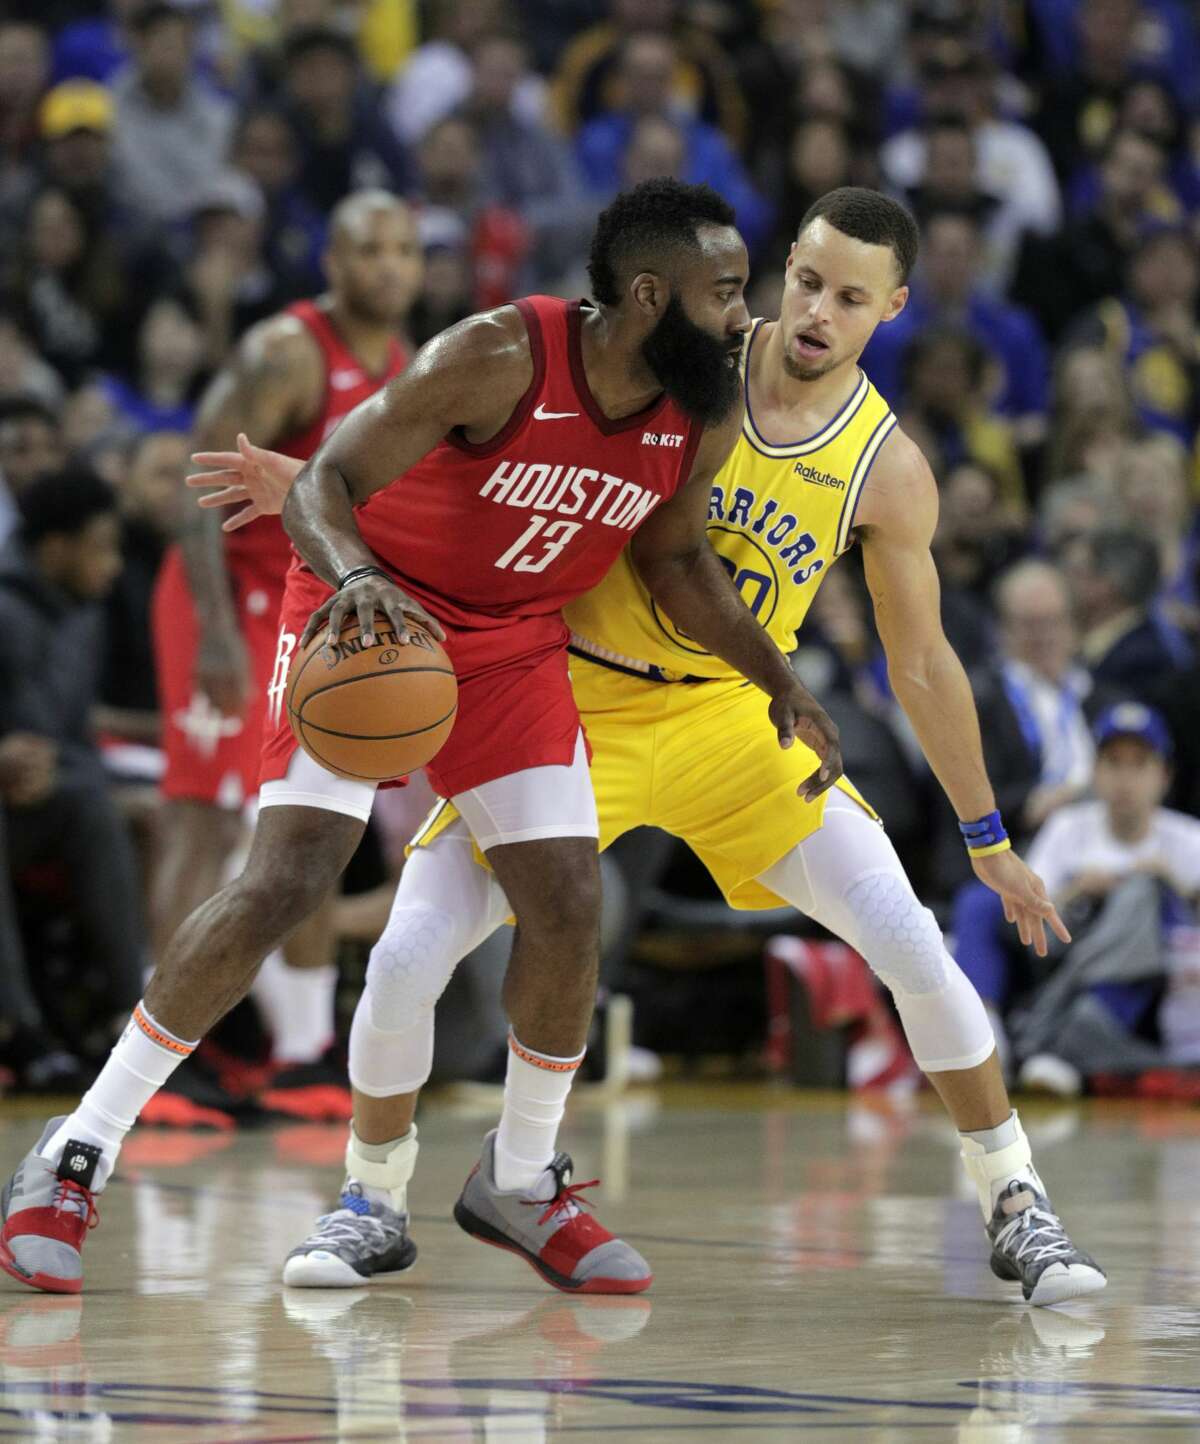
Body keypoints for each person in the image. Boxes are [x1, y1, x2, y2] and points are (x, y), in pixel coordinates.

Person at [206, 189, 1104, 1308]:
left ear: (894, 309)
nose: (819, 311)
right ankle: (371, 1197)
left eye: (853, 298)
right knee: (405, 954)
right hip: (573, 695)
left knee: (911, 942)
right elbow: (481, 470)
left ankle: (1018, 1202)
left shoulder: (889, 467)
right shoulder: (680, 363)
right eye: (808, 282)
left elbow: (922, 666)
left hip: (736, 719)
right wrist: (322, 497)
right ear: (779, 272)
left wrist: (989, 839)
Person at [0, 179, 840, 1298]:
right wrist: (354, 582)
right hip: (366, 608)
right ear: (650, 295)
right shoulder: (498, 354)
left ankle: (526, 1179)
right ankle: (78, 1148)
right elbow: (327, 485)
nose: (749, 318)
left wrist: (780, 680)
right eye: (728, 293)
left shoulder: (703, 407)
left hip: (510, 644)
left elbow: (677, 565)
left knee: (567, 899)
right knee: (288, 877)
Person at [151, 191, 421, 1113]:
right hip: (222, 598)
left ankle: (305, 1053)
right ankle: (164, 1054)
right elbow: (198, 481)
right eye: (369, 249)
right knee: (203, 819)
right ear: (333, 263)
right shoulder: (285, 351)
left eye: (403, 251)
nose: (388, 266)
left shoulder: (410, 366)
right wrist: (216, 627)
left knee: (311, 822)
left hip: (306, 607)